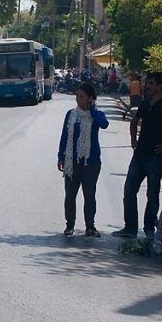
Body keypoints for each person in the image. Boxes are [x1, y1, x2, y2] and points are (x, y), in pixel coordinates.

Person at [113, 71, 162, 239]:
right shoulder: (144, 103)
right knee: (129, 190)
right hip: (139, 154)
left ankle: (149, 228)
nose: (147, 86)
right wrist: (133, 139)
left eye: (151, 84)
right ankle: (130, 227)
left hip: (155, 156)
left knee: (152, 194)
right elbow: (134, 121)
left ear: (160, 86)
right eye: (147, 83)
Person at [58, 82, 109, 237]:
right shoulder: (71, 114)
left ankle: (90, 226)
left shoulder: (96, 115)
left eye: (82, 97)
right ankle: (69, 225)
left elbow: (104, 124)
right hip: (72, 161)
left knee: (89, 195)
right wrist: (61, 156)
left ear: (90, 98)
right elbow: (65, 136)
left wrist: (92, 108)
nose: (78, 100)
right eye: (77, 96)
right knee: (70, 194)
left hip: (91, 161)